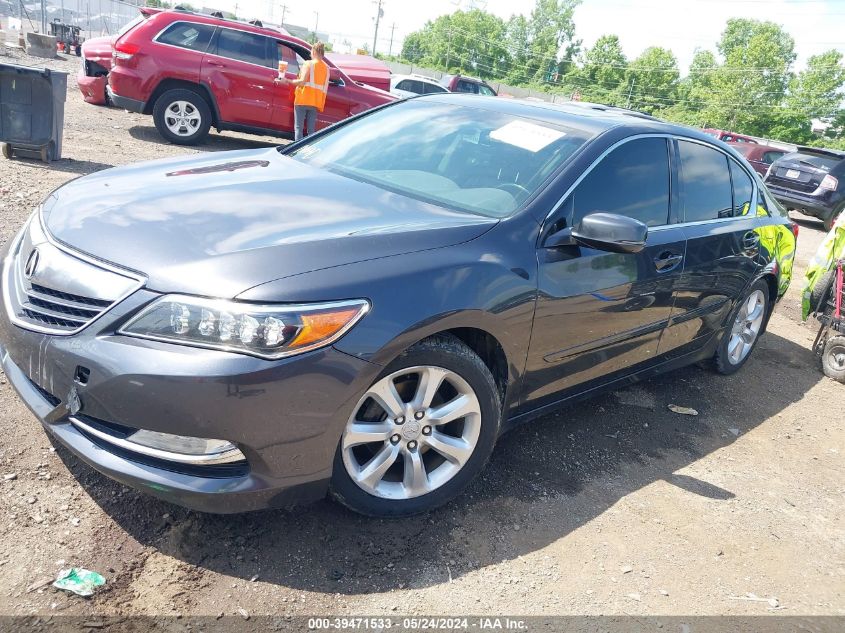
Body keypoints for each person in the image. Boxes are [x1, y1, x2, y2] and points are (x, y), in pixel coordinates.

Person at [277, 42, 329, 141]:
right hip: (315, 102)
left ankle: (297, 152)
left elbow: (302, 82)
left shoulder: (308, 64)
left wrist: (287, 80)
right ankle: (309, 151)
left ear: (313, 51)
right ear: (322, 53)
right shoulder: (326, 68)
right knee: (311, 131)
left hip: (303, 99)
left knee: (298, 129)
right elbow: (324, 88)